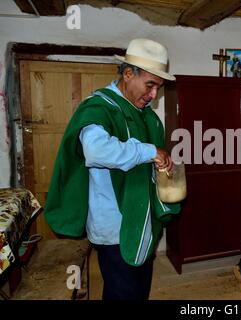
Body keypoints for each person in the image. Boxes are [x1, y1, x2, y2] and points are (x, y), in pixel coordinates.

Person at [44, 38, 181, 300]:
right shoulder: (99, 108)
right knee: (122, 292)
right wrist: (150, 151)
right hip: (115, 226)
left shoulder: (144, 114)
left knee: (139, 290)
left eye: (158, 88)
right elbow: (96, 151)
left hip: (143, 221)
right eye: (150, 85)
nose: (154, 96)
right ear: (128, 74)